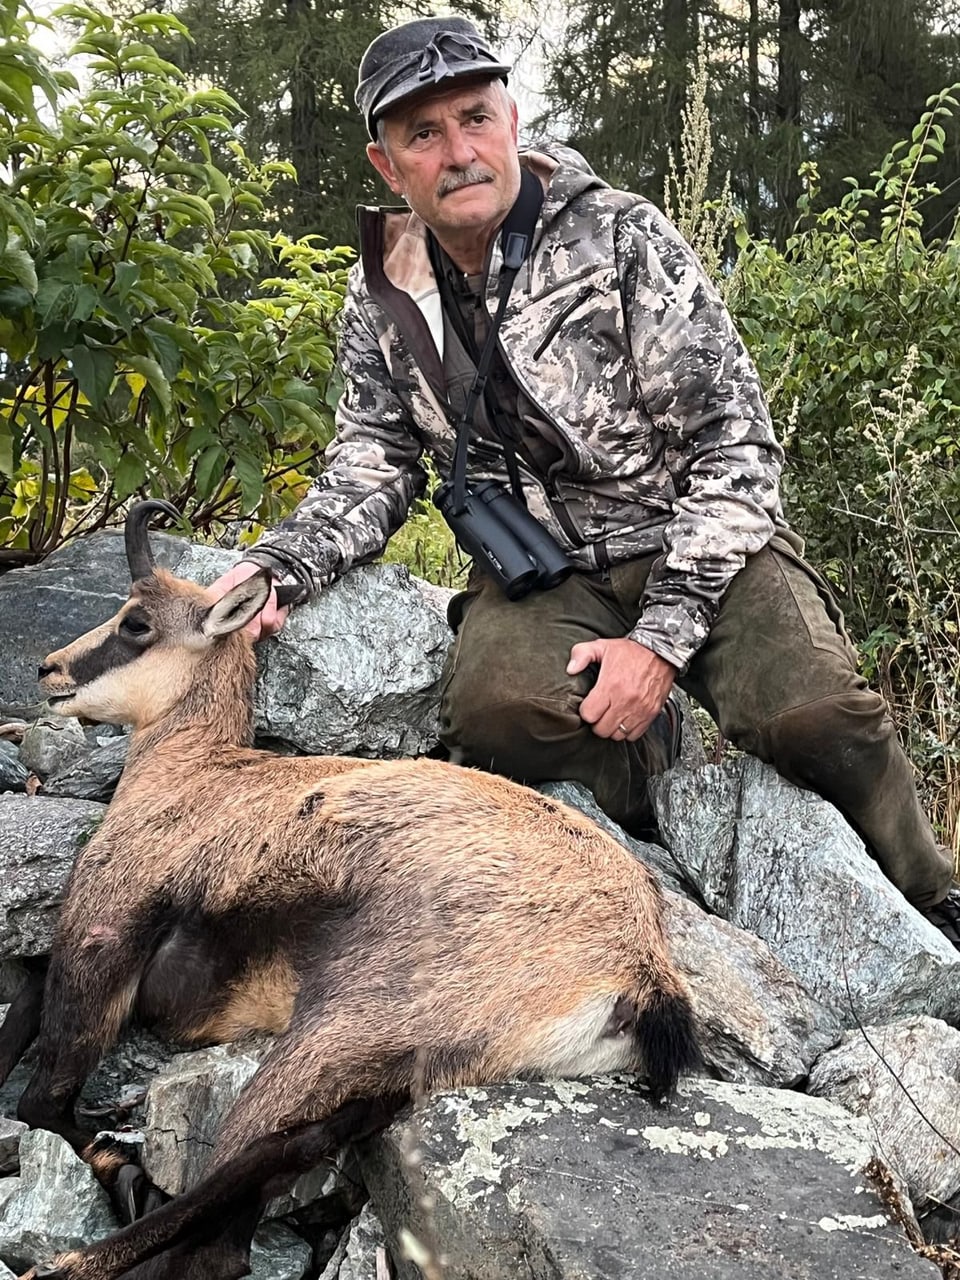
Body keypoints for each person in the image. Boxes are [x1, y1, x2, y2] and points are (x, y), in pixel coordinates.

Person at [209, 16, 960, 943]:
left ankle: (931, 898)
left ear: (512, 118)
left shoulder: (622, 238)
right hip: (545, 573)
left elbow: (738, 453)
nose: (460, 152)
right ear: (386, 164)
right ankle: (656, 783)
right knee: (495, 720)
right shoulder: (384, 291)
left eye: (475, 118)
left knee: (814, 717)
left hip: (695, 540)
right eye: (424, 135)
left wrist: (661, 644)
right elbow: (372, 460)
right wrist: (278, 568)